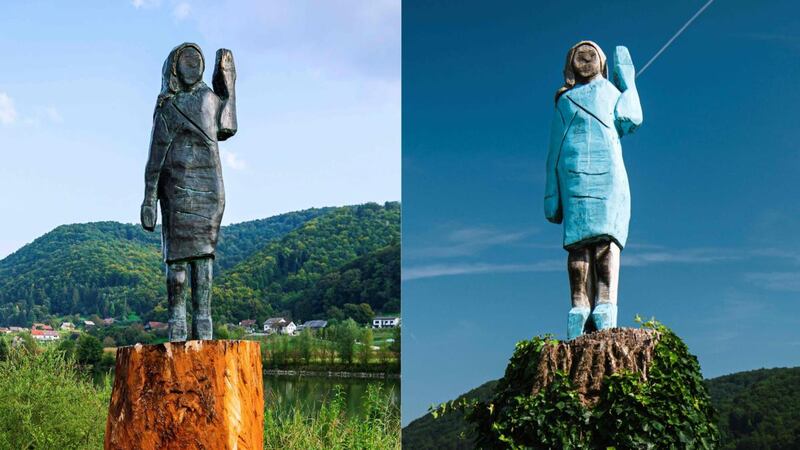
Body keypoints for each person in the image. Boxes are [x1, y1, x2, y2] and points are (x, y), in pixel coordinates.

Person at [544, 40, 642, 339]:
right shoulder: (564, 101)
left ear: (600, 60)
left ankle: (605, 303)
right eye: (579, 56)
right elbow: (554, 149)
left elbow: (632, 118)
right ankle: (578, 305)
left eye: (591, 55)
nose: (585, 59)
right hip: (572, 175)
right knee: (577, 247)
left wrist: (627, 80)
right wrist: (552, 192)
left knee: (605, 242)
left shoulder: (610, 92)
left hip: (607, 172)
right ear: (570, 63)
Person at [141, 42, 237, 341]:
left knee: (204, 257)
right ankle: (177, 320)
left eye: (198, 60)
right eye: (187, 59)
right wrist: (149, 199)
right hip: (176, 189)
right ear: (174, 67)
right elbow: (155, 157)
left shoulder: (209, 99)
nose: (193, 65)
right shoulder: (167, 108)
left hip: (209, 188)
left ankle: (204, 319)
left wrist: (228, 86)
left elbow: (227, 127)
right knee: (178, 260)